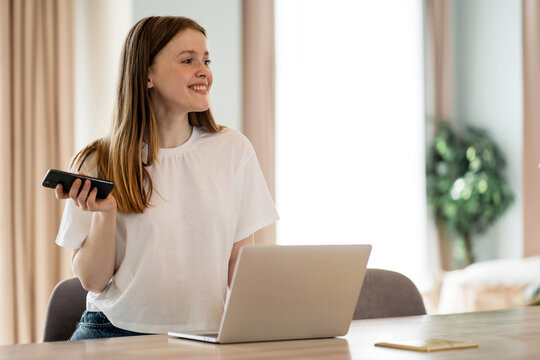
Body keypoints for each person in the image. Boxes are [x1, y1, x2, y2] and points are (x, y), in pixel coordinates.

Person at [54, 16, 279, 340]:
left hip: (205, 336)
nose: (204, 71)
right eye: (188, 60)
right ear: (147, 74)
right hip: (113, 332)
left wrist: (267, 324)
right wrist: (105, 214)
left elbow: (238, 263)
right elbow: (93, 281)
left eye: (206, 59)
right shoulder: (99, 161)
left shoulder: (233, 150)